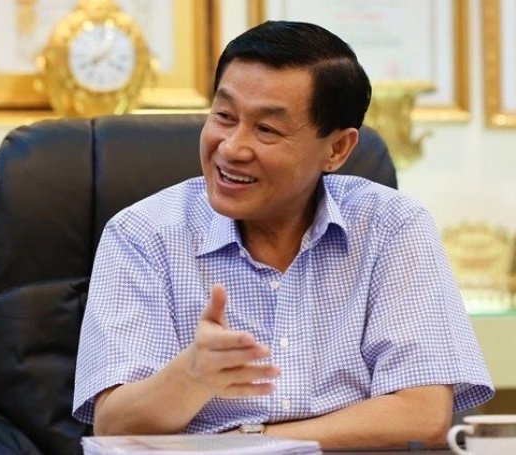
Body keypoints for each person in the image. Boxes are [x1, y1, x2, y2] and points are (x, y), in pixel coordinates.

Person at [73, 21, 493, 449]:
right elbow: (112, 425)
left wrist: (252, 442)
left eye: (267, 130)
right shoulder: (142, 234)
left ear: (337, 149)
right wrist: (191, 376)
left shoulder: (391, 226)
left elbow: (423, 413)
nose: (232, 148)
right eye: (224, 116)